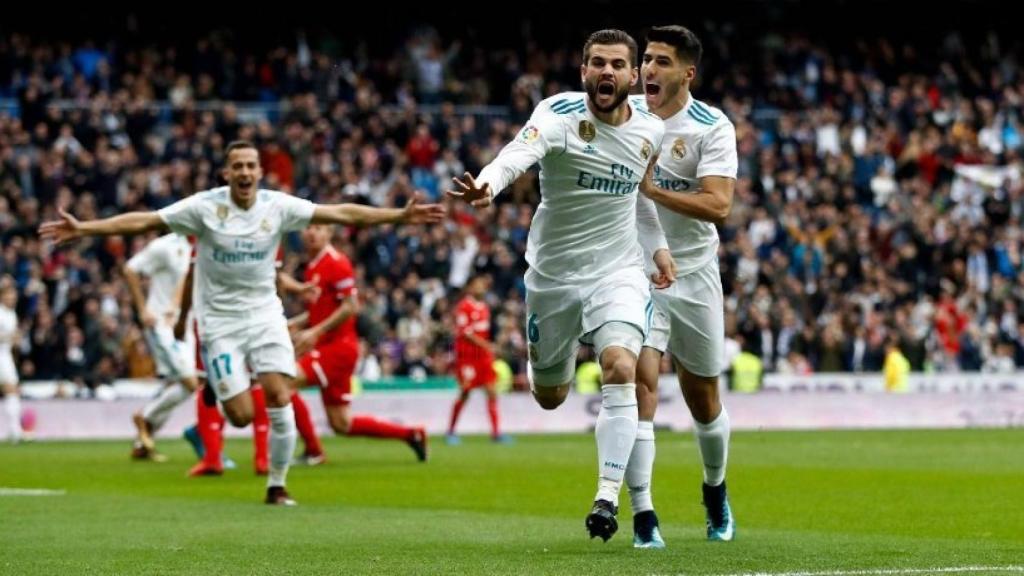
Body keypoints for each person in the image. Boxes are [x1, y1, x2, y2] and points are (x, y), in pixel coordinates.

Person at [40, 140, 445, 505]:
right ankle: (223, 388)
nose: (246, 173)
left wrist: (397, 216)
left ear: (260, 172)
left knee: (280, 394)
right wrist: (86, 229)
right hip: (220, 323)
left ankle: (277, 485)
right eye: (238, 167)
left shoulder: (277, 206)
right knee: (241, 415)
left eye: (252, 165)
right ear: (227, 173)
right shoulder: (204, 207)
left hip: (265, 314)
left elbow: (339, 213)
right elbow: (145, 221)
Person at [448, 29, 675, 542]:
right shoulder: (557, 115)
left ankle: (606, 497)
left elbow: (640, 195)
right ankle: (546, 364)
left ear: (633, 75)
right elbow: (514, 156)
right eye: (597, 63)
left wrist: (657, 247)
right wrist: (487, 185)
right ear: (583, 71)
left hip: (617, 271)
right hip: (552, 278)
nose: (606, 72)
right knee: (550, 394)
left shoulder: (650, 130)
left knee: (620, 363)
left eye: (617, 64)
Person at [627, 25, 739, 547]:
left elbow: (719, 205)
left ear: (687, 72)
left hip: (693, 272)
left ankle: (715, 490)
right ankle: (644, 514)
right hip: (635, 272)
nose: (648, 69)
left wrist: (653, 189)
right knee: (637, 381)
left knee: (703, 398)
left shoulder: (711, 127)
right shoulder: (623, 117)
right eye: (646, 59)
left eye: (661, 61)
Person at [288, 223, 428, 461]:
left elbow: (351, 307)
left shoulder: (337, 262)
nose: (312, 232)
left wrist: (314, 332)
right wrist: (295, 323)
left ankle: (313, 451)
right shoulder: (312, 266)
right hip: (328, 346)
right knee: (341, 423)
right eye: (308, 228)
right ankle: (411, 434)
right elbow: (320, 311)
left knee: (282, 384)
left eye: (319, 228)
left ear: (329, 233)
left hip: (337, 348)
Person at [123, 232, 197, 461]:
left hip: (185, 325)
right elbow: (130, 269)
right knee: (190, 382)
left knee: (180, 384)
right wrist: (142, 309)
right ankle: (144, 417)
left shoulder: (203, 244)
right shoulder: (164, 246)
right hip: (161, 324)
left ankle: (143, 439)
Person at [446, 272, 509, 445]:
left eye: (482, 284)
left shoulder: (484, 307)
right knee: (465, 392)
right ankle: (450, 431)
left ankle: (496, 433)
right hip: (468, 357)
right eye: (478, 284)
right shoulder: (464, 306)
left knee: (491, 391)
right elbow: (465, 333)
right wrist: (487, 346)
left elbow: (483, 333)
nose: (481, 287)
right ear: (470, 287)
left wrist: (489, 347)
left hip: (483, 357)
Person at [0, 284, 22, 443]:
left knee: (12, 389)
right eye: (8, 294)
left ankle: (15, 430)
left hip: (5, 355)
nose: (12, 297)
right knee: (11, 389)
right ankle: (15, 431)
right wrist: (10, 337)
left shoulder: (11, 314)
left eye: (13, 294)